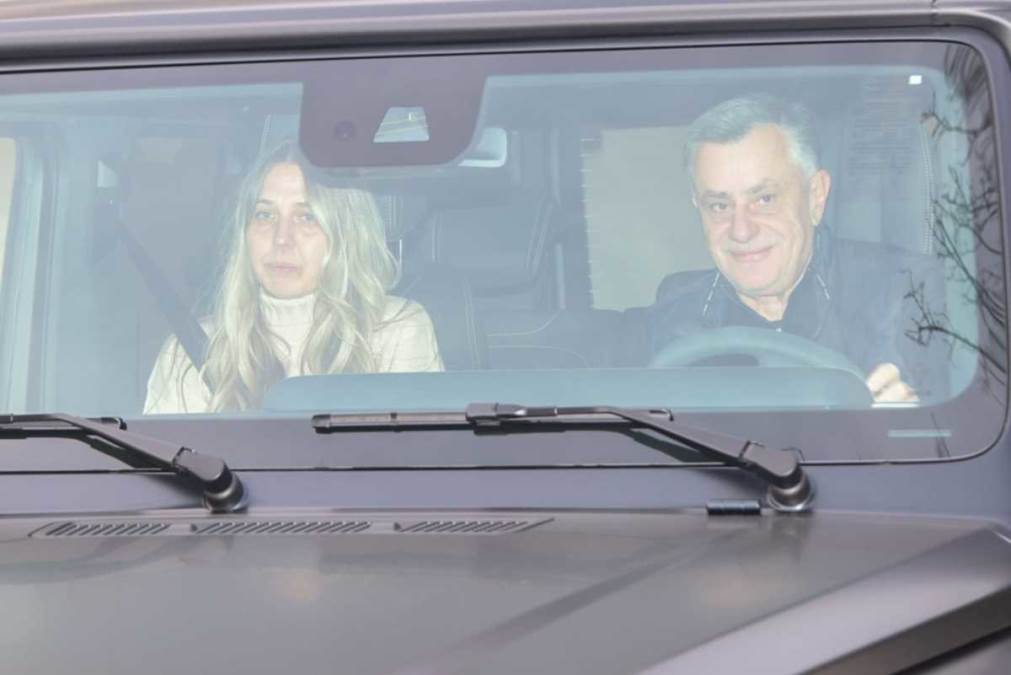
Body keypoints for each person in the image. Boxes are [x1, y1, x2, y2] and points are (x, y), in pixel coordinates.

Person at [647, 94, 939, 402]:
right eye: (719, 205)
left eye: (764, 199)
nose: (741, 230)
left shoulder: (912, 294)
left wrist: (912, 416)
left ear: (816, 196)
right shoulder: (675, 314)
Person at [144, 142, 443, 413]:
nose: (281, 239)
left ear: (346, 234)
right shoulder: (193, 350)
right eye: (265, 215)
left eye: (307, 217)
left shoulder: (395, 330)